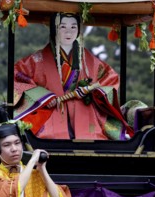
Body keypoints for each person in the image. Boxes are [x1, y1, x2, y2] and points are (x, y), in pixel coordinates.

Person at [13, 12, 133, 140]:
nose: (68, 32)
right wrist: (43, 97)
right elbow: (17, 76)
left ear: (79, 30)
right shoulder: (37, 60)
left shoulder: (89, 61)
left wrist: (91, 91)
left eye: (73, 27)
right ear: (55, 29)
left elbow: (110, 78)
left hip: (84, 113)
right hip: (50, 113)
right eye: (63, 27)